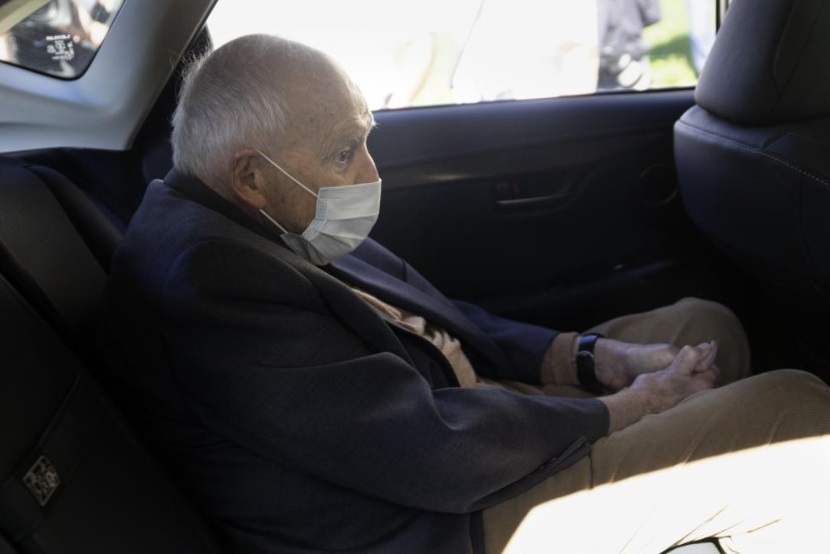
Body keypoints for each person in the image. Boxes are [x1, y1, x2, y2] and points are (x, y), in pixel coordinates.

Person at [99, 34, 830, 554]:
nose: (369, 172)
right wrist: (628, 408)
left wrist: (593, 359)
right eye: (343, 152)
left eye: (365, 139)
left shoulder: (260, 221)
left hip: (469, 427)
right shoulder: (206, 280)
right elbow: (426, 452)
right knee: (800, 416)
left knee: (706, 325)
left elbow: (444, 324)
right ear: (251, 175)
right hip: (448, 520)